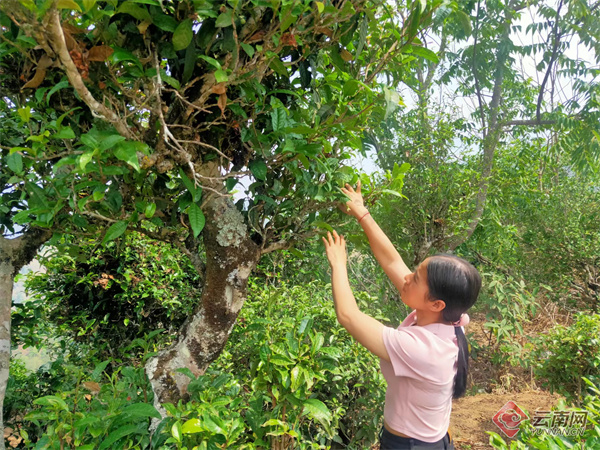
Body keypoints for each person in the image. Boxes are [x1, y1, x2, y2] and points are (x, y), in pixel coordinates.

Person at [322, 180, 481, 450]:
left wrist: (338, 264)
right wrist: (362, 213)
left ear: (437, 303)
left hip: (410, 446)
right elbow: (393, 261)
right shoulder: (452, 320)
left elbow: (348, 316)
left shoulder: (424, 350)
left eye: (416, 278)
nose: (407, 277)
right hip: (433, 440)